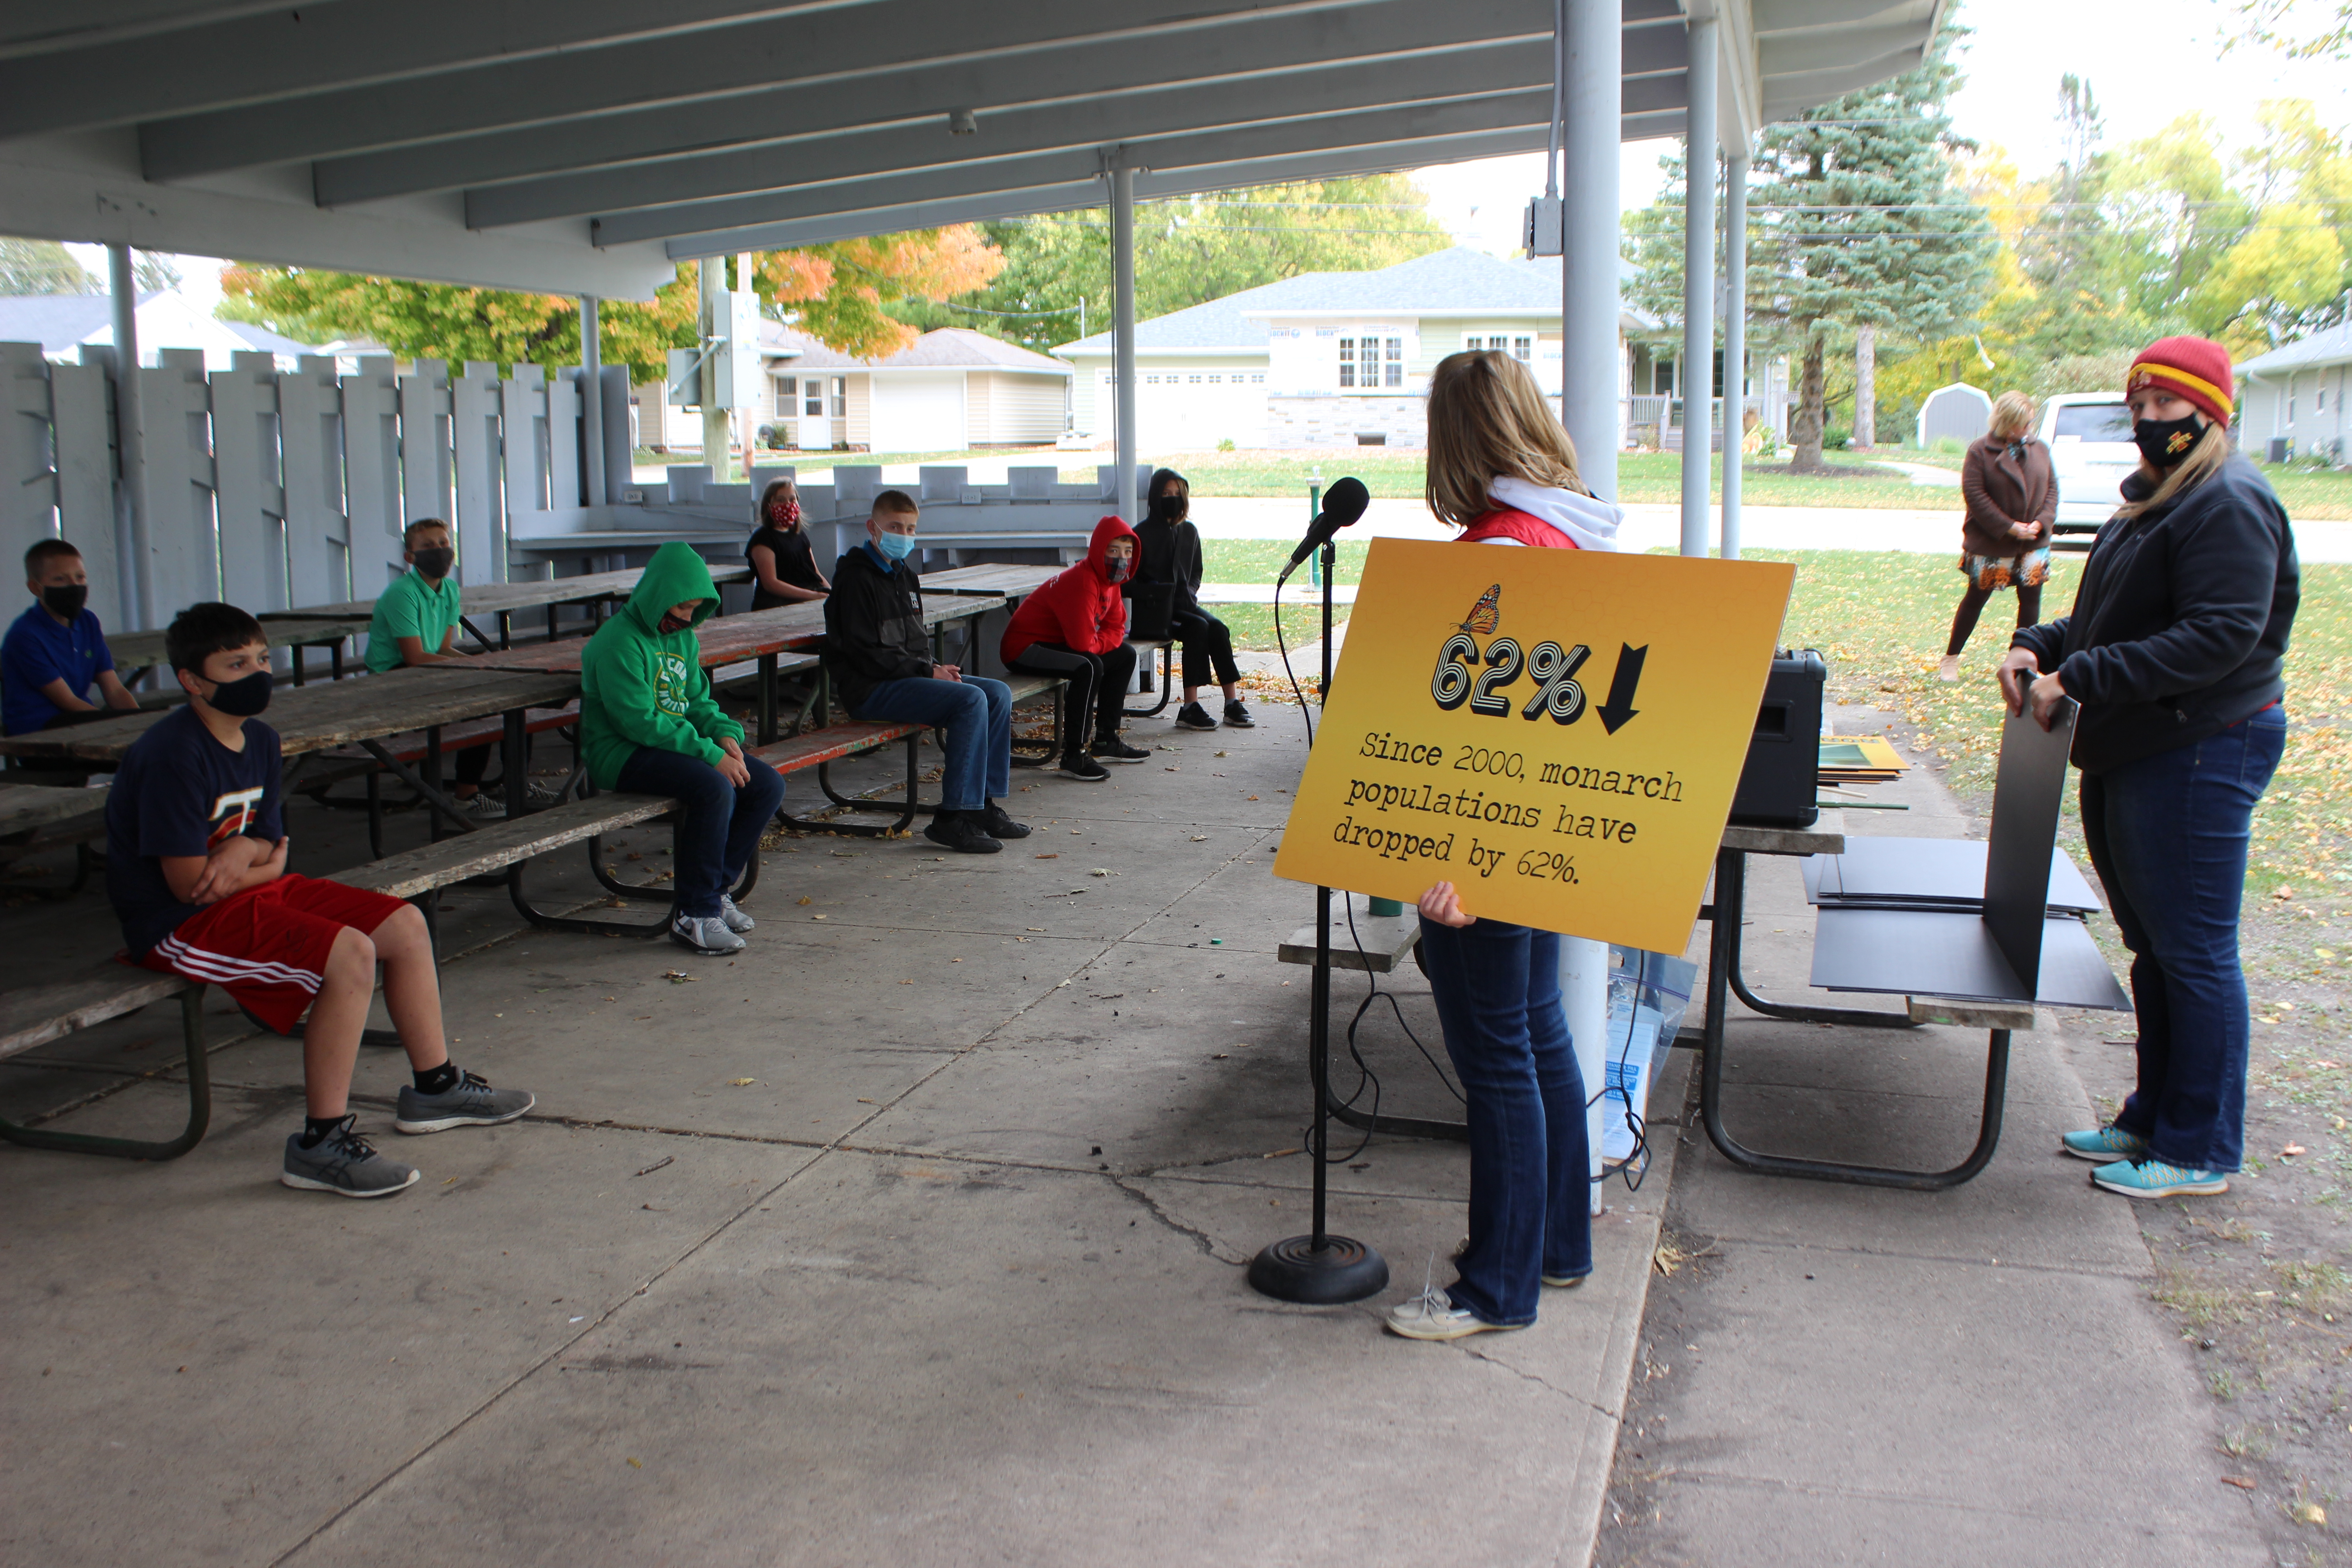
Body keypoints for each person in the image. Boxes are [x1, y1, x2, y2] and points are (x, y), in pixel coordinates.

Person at [2000, 336, 2298, 1200]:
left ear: (2208, 412)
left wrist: (2079, 676)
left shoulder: (2228, 502)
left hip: (2198, 747)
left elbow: (2216, 636)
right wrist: (2035, 645)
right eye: (2135, 406)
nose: (2145, 422)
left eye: (2163, 407)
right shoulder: (2158, 502)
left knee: (2194, 951)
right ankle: (2149, 1116)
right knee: (2153, 946)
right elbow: (2103, 620)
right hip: (2135, 746)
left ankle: (2199, 1145)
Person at [105, 602, 533, 1197]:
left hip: (245, 893)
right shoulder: (172, 753)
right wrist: (252, 857)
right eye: (236, 664)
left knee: (405, 923)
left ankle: (434, 1088)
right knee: (349, 953)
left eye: (261, 659)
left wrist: (242, 856)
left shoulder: (260, 738)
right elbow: (187, 885)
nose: (256, 673)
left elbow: (276, 849)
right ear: (192, 681)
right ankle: (320, 1143)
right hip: (177, 923)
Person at [1389, 349, 1623, 1343]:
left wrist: (1457, 867)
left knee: (1499, 1061)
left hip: (1485, 845)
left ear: (1459, 438)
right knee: (1538, 1033)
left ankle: (1497, 1287)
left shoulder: (1500, 551)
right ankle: (1555, 1247)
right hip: (1549, 832)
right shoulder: (1572, 527)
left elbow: (1481, 735)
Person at [579, 541, 787, 956]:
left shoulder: (684, 638)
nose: (688, 619)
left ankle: (716, 891)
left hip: (670, 743)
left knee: (766, 785)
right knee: (714, 787)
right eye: (682, 609)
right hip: (620, 753)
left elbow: (697, 702)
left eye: (695, 610)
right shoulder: (618, 642)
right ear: (659, 597)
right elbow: (638, 722)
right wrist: (710, 755)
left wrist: (725, 735)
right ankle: (693, 913)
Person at [823, 489, 1029, 855]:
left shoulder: (906, 577)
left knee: (997, 694)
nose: (904, 535)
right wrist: (926, 671)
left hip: (908, 677)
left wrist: (932, 667)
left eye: (911, 528)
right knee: (970, 701)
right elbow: (865, 653)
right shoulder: (855, 580)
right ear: (873, 528)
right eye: (894, 527)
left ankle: (981, 804)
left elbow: (914, 644)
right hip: (871, 689)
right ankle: (952, 817)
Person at [363, 518, 534, 817]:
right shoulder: (402, 593)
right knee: (481, 705)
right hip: (394, 678)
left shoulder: (450, 590)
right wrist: (477, 670)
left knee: (518, 697)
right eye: (428, 546)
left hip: (429, 671)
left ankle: (517, 784)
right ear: (410, 557)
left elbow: (443, 648)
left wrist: (485, 665)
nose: (439, 550)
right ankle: (465, 797)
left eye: (443, 543)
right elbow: (414, 657)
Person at [1002, 517, 1154, 780]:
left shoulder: (1110, 581)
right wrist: (1097, 644)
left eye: (1128, 552)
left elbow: (1118, 627)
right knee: (1088, 666)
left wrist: (1099, 643)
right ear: (1098, 550)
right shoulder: (1084, 581)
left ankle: (1107, 739)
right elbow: (1083, 645)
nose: (1122, 559)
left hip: (1055, 642)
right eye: (1113, 551)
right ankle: (1074, 753)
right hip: (1023, 647)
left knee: (1126, 655)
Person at [1940, 392, 2056, 682]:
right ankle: (1950, 660)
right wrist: (2009, 526)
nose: (2028, 430)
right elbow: (1975, 496)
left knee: (2031, 602)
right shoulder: (1980, 451)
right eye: (2023, 424)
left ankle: (2021, 664)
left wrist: (2041, 524)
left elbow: (2053, 490)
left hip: (2033, 544)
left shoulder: (2040, 448)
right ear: (2007, 422)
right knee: (1976, 599)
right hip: (1994, 543)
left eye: (2030, 424)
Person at [1134, 468, 1253, 732]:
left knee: (1218, 628)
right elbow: (1131, 581)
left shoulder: (1189, 531)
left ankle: (1232, 703)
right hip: (1157, 615)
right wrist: (1157, 593)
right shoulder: (1141, 534)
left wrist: (1190, 591)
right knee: (1198, 628)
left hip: (1186, 606)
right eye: (1166, 493)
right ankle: (1190, 707)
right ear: (1155, 496)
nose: (1172, 498)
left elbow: (1196, 571)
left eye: (1177, 493)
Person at [3, 539, 140, 763]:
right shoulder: (25, 635)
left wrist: (141, 724)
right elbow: (67, 701)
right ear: (36, 588)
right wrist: (121, 730)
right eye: (60, 579)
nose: (74, 585)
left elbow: (114, 690)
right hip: (40, 735)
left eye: (80, 577)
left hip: (79, 723)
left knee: (155, 736)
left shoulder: (88, 622)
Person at [746, 477, 829, 609]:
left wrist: (832, 593)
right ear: (769, 505)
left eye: (792, 499)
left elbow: (815, 573)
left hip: (808, 601)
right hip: (779, 605)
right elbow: (771, 584)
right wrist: (813, 596)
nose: (788, 504)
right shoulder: (763, 539)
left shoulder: (799, 535)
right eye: (781, 500)